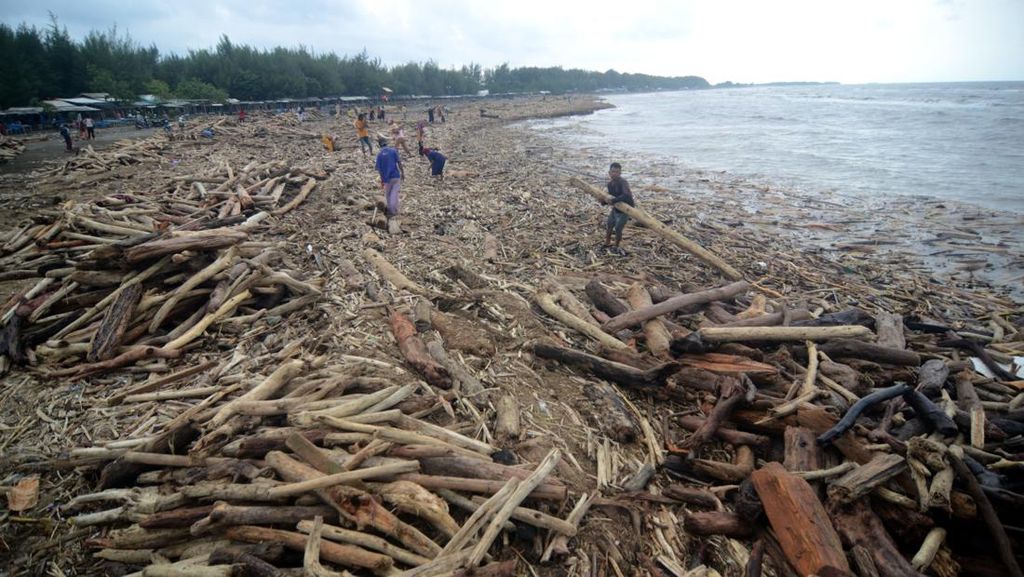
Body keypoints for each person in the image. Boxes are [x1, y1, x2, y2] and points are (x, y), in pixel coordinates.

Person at [602, 162, 634, 254]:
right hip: (616, 208)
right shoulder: (610, 184)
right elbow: (610, 197)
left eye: (617, 172)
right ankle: (607, 242)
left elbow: (626, 195)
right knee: (609, 225)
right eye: (613, 171)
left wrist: (613, 200)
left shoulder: (623, 182)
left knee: (618, 228)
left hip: (625, 209)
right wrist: (604, 201)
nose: (614, 174)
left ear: (620, 173)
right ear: (609, 173)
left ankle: (616, 245)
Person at [374, 137, 404, 231]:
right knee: (394, 194)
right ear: (386, 143)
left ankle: (391, 210)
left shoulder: (379, 155)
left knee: (388, 194)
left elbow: (378, 169)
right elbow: (399, 162)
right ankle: (393, 211)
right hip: (395, 175)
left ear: (379, 145)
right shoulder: (393, 151)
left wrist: (382, 179)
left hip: (386, 178)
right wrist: (403, 172)